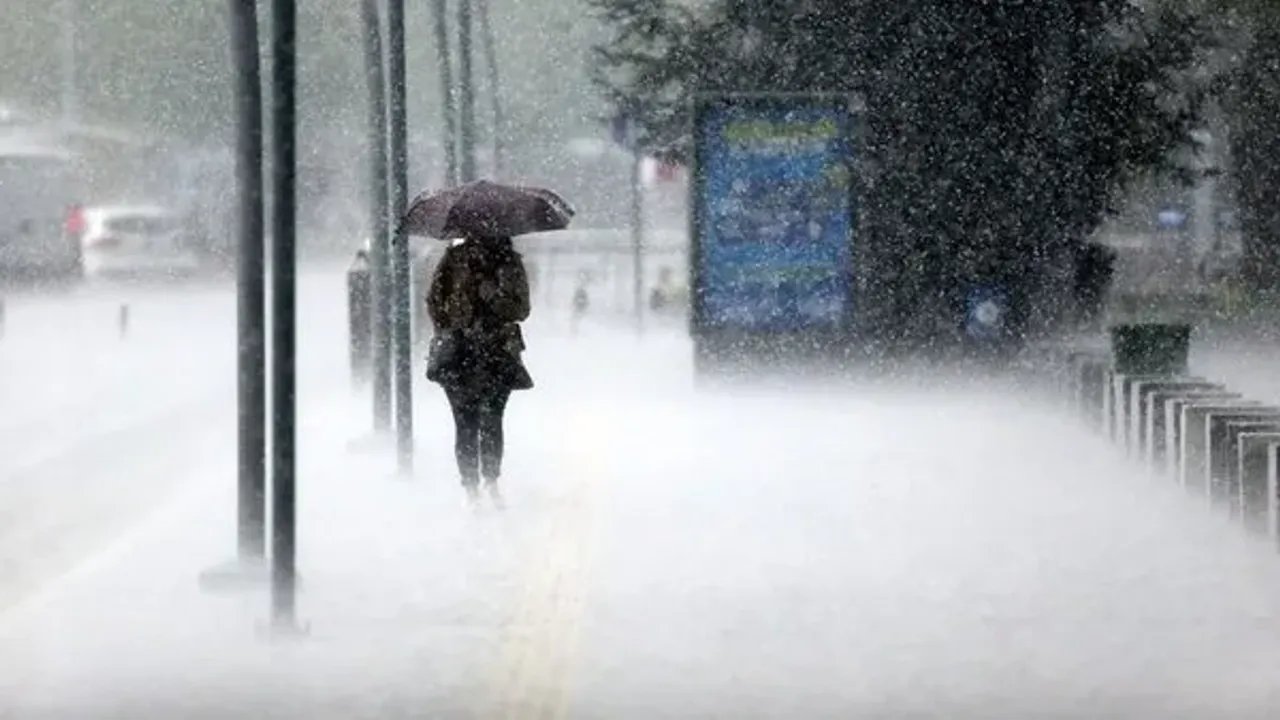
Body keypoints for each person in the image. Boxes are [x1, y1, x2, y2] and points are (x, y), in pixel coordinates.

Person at [426, 236, 533, 505]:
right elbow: (435, 303)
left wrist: (494, 297)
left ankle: (490, 480)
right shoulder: (453, 260)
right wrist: (455, 322)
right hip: (460, 354)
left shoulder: (509, 262)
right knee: (466, 422)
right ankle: (472, 485)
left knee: (491, 419)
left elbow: (521, 309)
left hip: (496, 353)